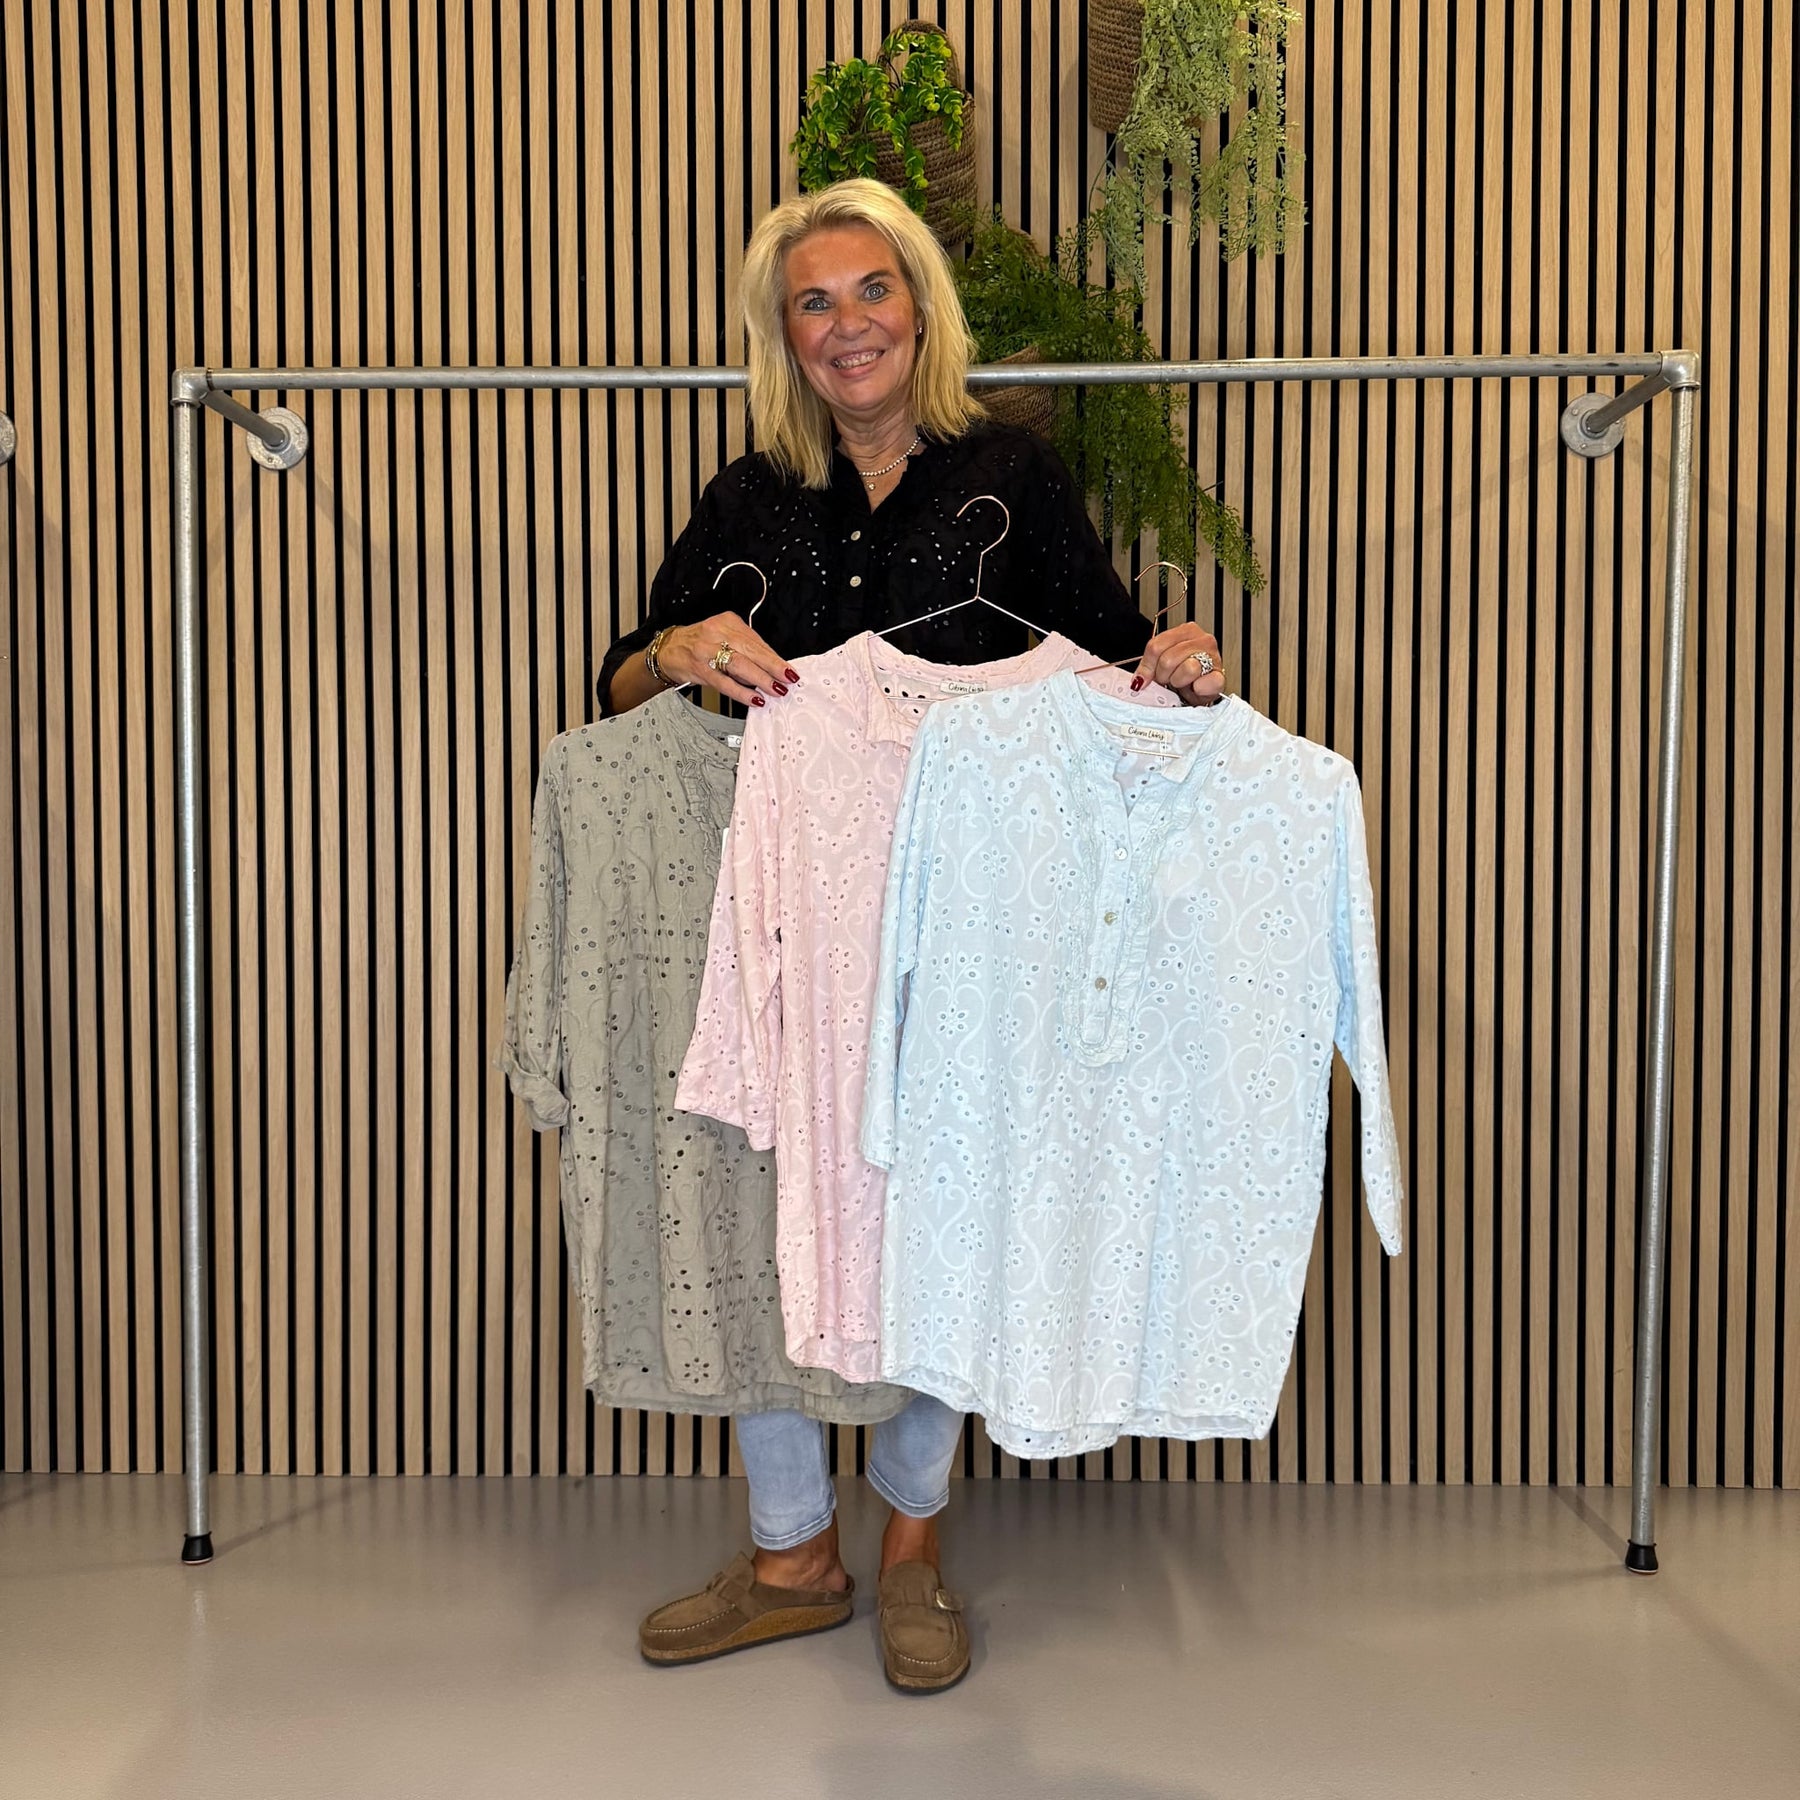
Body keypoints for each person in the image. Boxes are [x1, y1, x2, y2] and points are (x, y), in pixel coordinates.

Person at [599, 178, 1226, 1691]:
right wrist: (677, 648)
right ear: (784, 336)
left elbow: (1114, 659)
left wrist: (1179, 666)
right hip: (780, 915)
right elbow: (618, 687)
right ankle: (789, 1553)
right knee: (762, 1197)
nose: (847, 325)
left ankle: (910, 1551)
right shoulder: (748, 499)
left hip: (971, 926)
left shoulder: (1009, 476)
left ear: (919, 306)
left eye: (870, 289)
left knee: (947, 1196)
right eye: (812, 303)